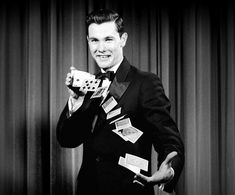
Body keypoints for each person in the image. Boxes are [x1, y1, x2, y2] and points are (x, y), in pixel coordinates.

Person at [56, 9, 184, 195]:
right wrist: (76, 101)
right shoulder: (88, 85)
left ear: (123, 39)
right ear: (88, 41)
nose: (100, 48)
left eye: (108, 39)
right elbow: (67, 139)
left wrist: (170, 170)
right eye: (94, 40)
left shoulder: (145, 82)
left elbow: (169, 140)